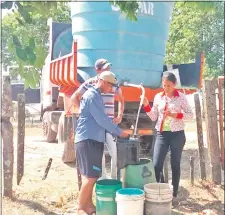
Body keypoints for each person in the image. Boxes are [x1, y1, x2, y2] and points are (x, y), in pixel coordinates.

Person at [75, 71, 129, 215]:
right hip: (88, 139)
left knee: (92, 175)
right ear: (104, 82)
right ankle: (80, 208)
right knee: (90, 177)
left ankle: (89, 205)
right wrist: (119, 132)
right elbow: (102, 120)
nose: (111, 89)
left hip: (94, 139)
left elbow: (102, 119)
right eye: (111, 86)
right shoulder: (92, 96)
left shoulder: (97, 96)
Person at [142, 71, 193, 205]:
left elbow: (190, 115)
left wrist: (177, 115)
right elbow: (153, 116)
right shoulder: (158, 97)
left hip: (177, 134)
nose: (166, 88)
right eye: (164, 85)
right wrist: (146, 104)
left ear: (174, 84)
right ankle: (157, 192)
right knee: (156, 164)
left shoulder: (181, 97)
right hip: (162, 134)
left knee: (175, 164)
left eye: (168, 85)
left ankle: (174, 193)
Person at [71, 58, 124, 179]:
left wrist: (119, 115)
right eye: (105, 69)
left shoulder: (112, 81)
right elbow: (75, 97)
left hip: (109, 124)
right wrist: (82, 110)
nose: (108, 70)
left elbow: (121, 99)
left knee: (114, 153)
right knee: (99, 155)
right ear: (98, 70)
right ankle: (101, 180)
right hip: (96, 125)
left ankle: (114, 179)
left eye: (109, 68)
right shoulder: (90, 85)